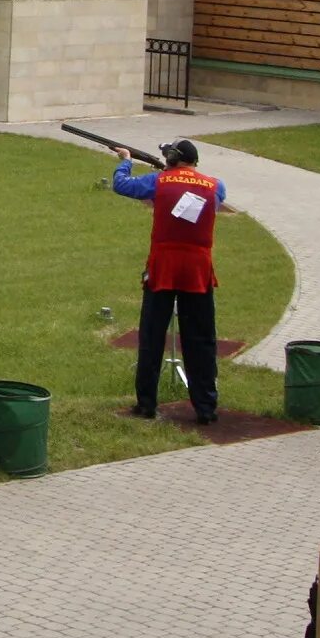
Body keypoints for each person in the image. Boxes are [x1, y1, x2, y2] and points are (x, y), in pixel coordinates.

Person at [115, 138, 228, 424]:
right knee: (202, 340)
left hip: (163, 267)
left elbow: (123, 185)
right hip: (198, 270)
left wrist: (125, 160)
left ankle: (147, 404)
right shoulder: (216, 185)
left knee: (151, 337)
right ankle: (206, 407)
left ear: (172, 158)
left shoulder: (158, 180)